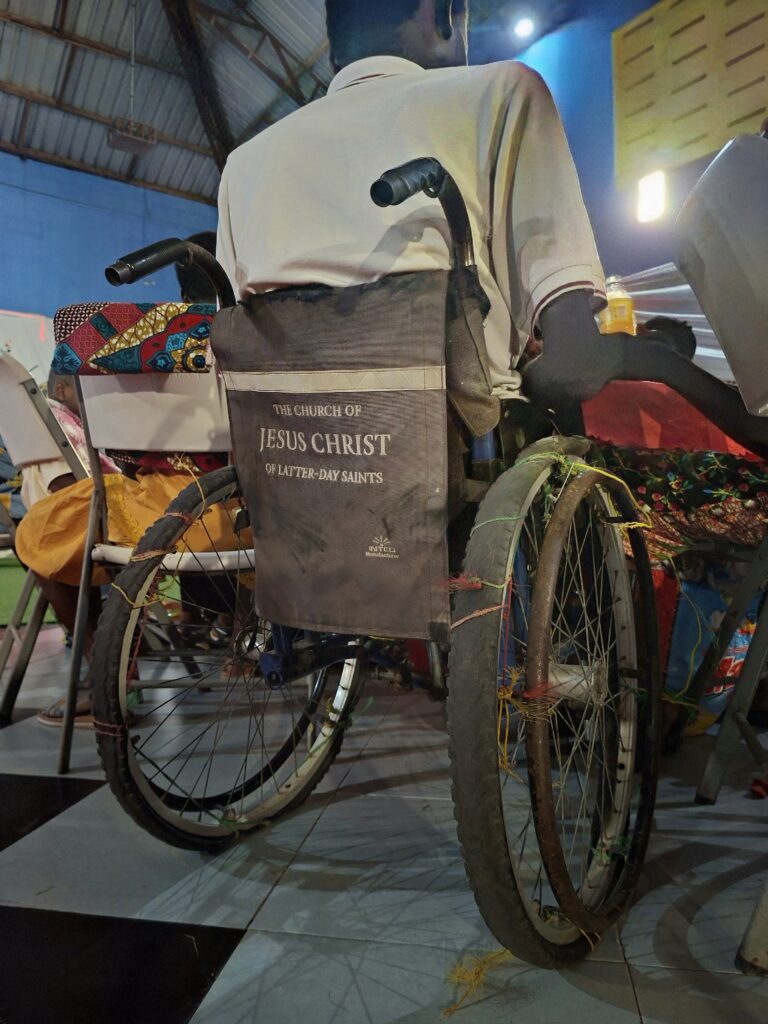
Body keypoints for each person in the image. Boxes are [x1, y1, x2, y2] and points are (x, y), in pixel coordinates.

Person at [216, 0, 615, 412]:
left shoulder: (241, 166)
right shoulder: (504, 92)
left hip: (279, 444)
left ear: (334, 55)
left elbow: (229, 355)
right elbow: (574, 361)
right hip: (461, 443)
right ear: (441, 15)